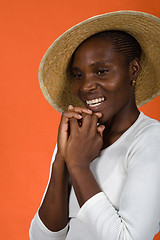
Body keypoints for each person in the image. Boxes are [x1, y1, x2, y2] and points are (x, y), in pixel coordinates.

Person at [29, 11, 160, 240]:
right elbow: (42, 238)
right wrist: (62, 157)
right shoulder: (78, 139)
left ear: (133, 70)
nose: (86, 86)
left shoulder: (151, 138)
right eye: (78, 75)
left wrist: (79, 166)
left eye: (101, 71)